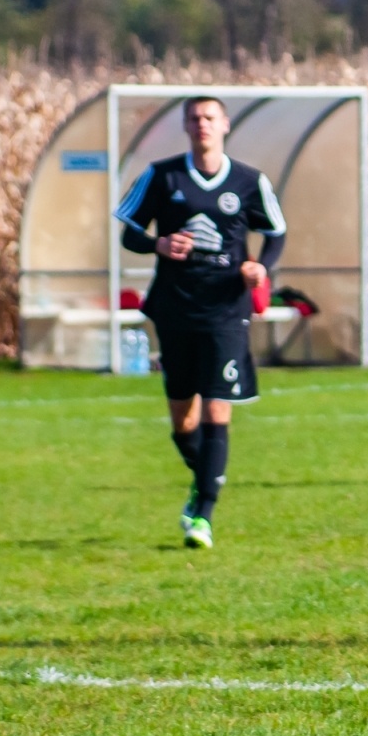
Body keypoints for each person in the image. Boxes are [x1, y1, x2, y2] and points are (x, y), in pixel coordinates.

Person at [115, 96, 286, 549]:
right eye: (194, 118)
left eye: (210, 117)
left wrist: (260, 267)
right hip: (175, 307)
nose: (202, 124)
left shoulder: (249, 181)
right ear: (186, 126)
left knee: (216, 406)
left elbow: (275, 231)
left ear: (225, 124)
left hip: (226, 310)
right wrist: (158, 244)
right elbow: (129, 231)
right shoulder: (162, 175)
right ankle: (205, 478)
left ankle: (203, 515)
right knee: (182, 420)